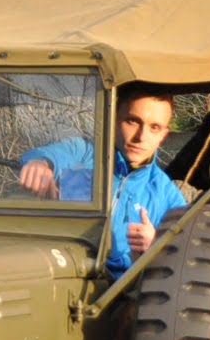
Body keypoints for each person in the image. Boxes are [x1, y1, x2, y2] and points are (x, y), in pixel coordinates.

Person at [18, 85, 187, 273]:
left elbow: (183, 255)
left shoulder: (167, 194)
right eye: (132, 121)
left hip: (122, 287)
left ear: (164, 135)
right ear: (114, 119)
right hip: (66, 270)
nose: (141, 137)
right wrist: (40, 164)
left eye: (154, 128)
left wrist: (156, 246)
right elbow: (50, 154)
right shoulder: (86, 154)